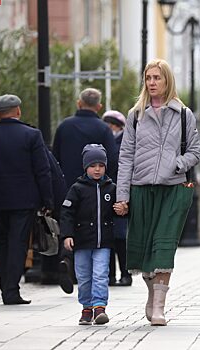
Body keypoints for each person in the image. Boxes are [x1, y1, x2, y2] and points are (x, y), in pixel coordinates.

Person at [114, 58, 200, 326]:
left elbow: (194, 152)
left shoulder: (183, 114)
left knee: (163, 247)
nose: (152, 83)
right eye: (148, 78)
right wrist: (122, 196)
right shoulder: (136, 115)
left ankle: (159, 306)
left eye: (157, 78)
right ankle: (152, 297)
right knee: (143, 250)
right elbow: (125, 155)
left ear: (167, 81)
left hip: (173, 190)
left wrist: (176, 164)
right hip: (141, 190)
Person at [0, 94, 53, 305]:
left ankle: (6, 287)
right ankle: (11, 291)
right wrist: (48, 200)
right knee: (18, 243)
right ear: (18, 111)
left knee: (3, 241)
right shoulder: (31, 135)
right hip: (24, 200)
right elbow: (42, 170)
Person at [52, 88, 118, 294]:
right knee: (98, 227)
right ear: (98, 107)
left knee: (70, 225)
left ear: (79, 104)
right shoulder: (104, 129)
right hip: (98, 191)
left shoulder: (64, 126)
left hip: (68, 188)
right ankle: (103, 272)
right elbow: (114, 160)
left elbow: (54, 159)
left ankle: (66, 259)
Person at [61, 144, 115, 325]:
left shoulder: (111, 188)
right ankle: (86, 308)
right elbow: (66, 213)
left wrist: (123, 209)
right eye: (93, 165)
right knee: (83, 276)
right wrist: (67, 235)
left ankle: (100, 307)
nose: (97, 169)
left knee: (101, 274)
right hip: (82, 242)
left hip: (103, 242)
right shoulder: (77, 188)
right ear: (86, 167)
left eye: (101, 165)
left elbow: (120, 211)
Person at [102, 110, 132, 286]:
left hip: (120, 193)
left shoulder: (124, 143)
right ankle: (111, 275)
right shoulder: (106, 142)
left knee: (120, 236)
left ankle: (126, 273)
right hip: (106, 193)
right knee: (109, 236)